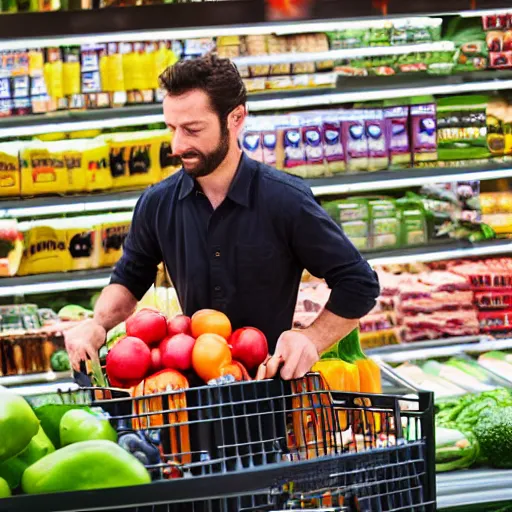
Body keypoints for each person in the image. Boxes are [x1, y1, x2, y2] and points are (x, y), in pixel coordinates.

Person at [64, 54, 380, 381]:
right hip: (188, 395)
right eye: (171, 128)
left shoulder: (285, 200)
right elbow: (130, 278)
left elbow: (359, 284)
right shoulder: (157, 203)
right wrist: (97, 324)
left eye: (192, 129)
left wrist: (311, 339)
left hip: (269, 392)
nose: (177, 145)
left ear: (236, 117)